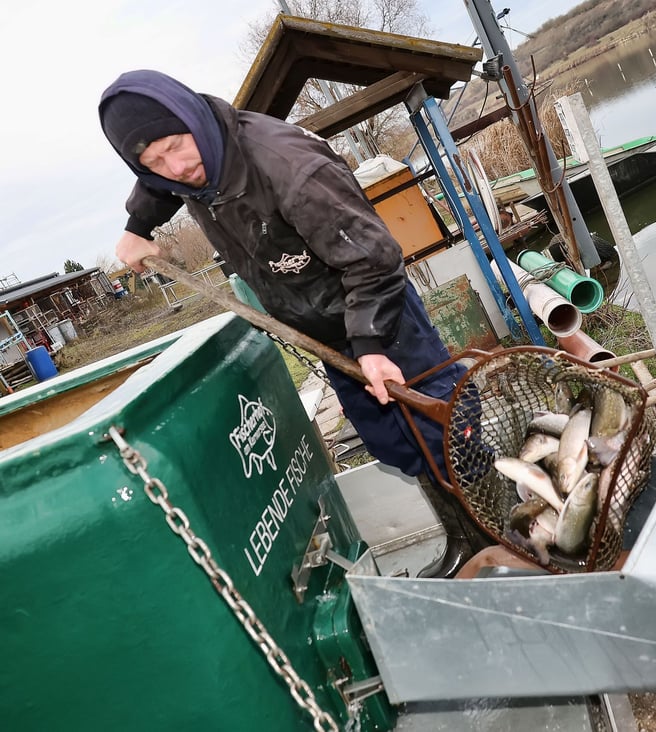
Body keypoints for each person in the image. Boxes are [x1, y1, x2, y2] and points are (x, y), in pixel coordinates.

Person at [98, 69, 490, 576]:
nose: (178, 167)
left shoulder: (288, 166)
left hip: (375, 311)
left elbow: (374, 260)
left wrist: (370, 344)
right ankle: (461, 536)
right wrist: (136, 227)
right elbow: (157, 182)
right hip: (320, 327)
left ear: (192, 119)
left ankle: (492, 526)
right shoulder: (188, 164)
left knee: (440, 421)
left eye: (176, 145)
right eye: (155, 161)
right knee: (391, 437)